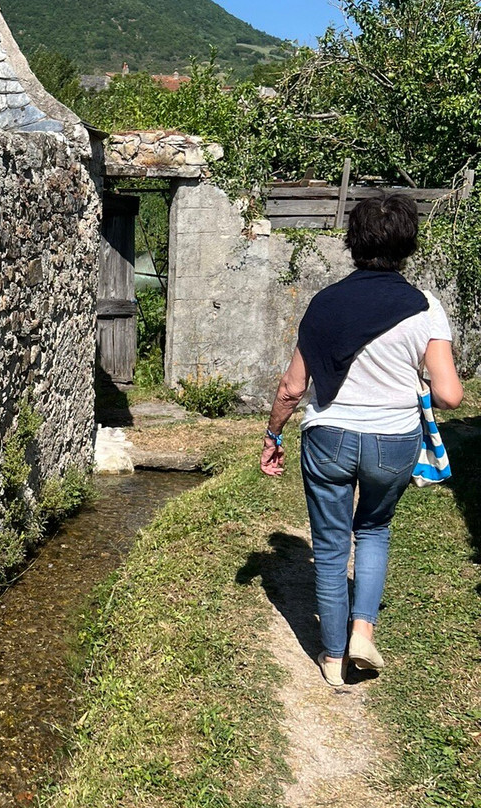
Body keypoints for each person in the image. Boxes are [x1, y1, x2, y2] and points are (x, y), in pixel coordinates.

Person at [259, 192, 463, 687]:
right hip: (393, 441)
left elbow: (292, 387)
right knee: (373, 529)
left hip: (328, 436)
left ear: (353, 242)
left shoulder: (324, 303)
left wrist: (273, 434)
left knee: (330, 546)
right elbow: (451, 395)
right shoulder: (425, 308)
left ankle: (331, 661)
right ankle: (362, 632)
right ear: (408, 245)